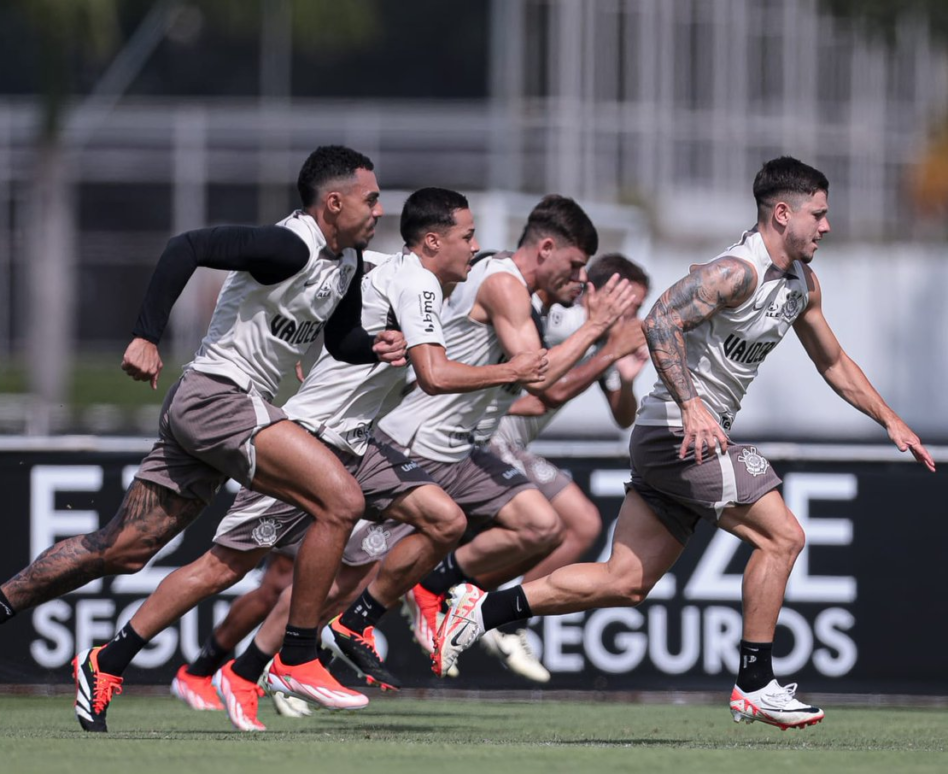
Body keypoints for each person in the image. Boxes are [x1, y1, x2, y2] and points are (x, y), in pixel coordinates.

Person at [431, 156, 936, 730]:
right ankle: (754, 681)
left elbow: (834, 362)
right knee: (783, 536)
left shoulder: (802, 284)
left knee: (625, 581)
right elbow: (659, 320)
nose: (825, 226)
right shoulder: (735, 272)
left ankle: (482, 608)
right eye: (817, 215)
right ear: (782, 212)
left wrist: (890, 420)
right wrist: (694, 404)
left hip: (673, 438)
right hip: (678, 431)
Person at [0, 145, 407, 731]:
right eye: (372, 199)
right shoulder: (291, 245)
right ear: (334, 203)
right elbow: (188, 246)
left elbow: (336, 340)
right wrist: (145, 335)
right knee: (341, 501)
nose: (380, 211)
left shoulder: (346, 263)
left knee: (123, 550)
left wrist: (379, 345)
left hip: (215, 411)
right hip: (218, 399)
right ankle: (298, 655)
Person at [80, 187, 548, 731]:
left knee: (445, 519)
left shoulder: (394, 270)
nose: (476, 246)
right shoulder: (418, 281)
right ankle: (113, 659)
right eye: (467, 237)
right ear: (433, 240)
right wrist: (514, 370)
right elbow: (435, 375)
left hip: (359, 443)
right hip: (311, 439)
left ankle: (344, 628)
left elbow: (347, 297)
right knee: (224, 568)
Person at [379, 195, 638, 668]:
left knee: (548, 525)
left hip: (460, 445)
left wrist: (619, 359)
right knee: (342, 567)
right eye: (577, 267)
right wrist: (603, 339)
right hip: (418, 437)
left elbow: (620, 412)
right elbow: (542, 386)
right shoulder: (529, 296)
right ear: (546, 249)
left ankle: (462, 602)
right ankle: (259, 660)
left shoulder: (544, 302)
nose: (581, 281)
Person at [473, 253, 650, 682]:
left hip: (508, 444)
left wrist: (624, 376)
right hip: (484, 437)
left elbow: (623, 416)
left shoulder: (601, 340)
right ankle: (481, 606)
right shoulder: (558, 317)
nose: (633, 317)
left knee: (580, 527)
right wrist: (608, 353)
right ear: (595, 290)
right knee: (575, 522)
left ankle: (493, 611)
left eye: (638, 310)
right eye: (628, 305)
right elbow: (544, 391)